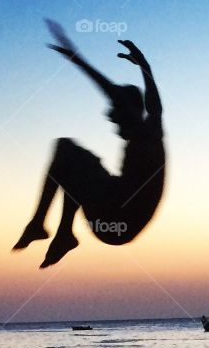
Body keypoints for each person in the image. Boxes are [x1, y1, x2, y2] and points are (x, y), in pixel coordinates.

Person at [13, 20, 165, 269]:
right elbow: (151, 107)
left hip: (116, 219)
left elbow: (123, 96)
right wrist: (144, 67)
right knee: (78, 165)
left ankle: (42, 225)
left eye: (116, 111)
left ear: (128, 111)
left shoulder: (144, 132)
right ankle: (63, 234)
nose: (111, 118)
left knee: (65, 150)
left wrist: (76, 57)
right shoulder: (149, 132)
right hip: (116, 212)